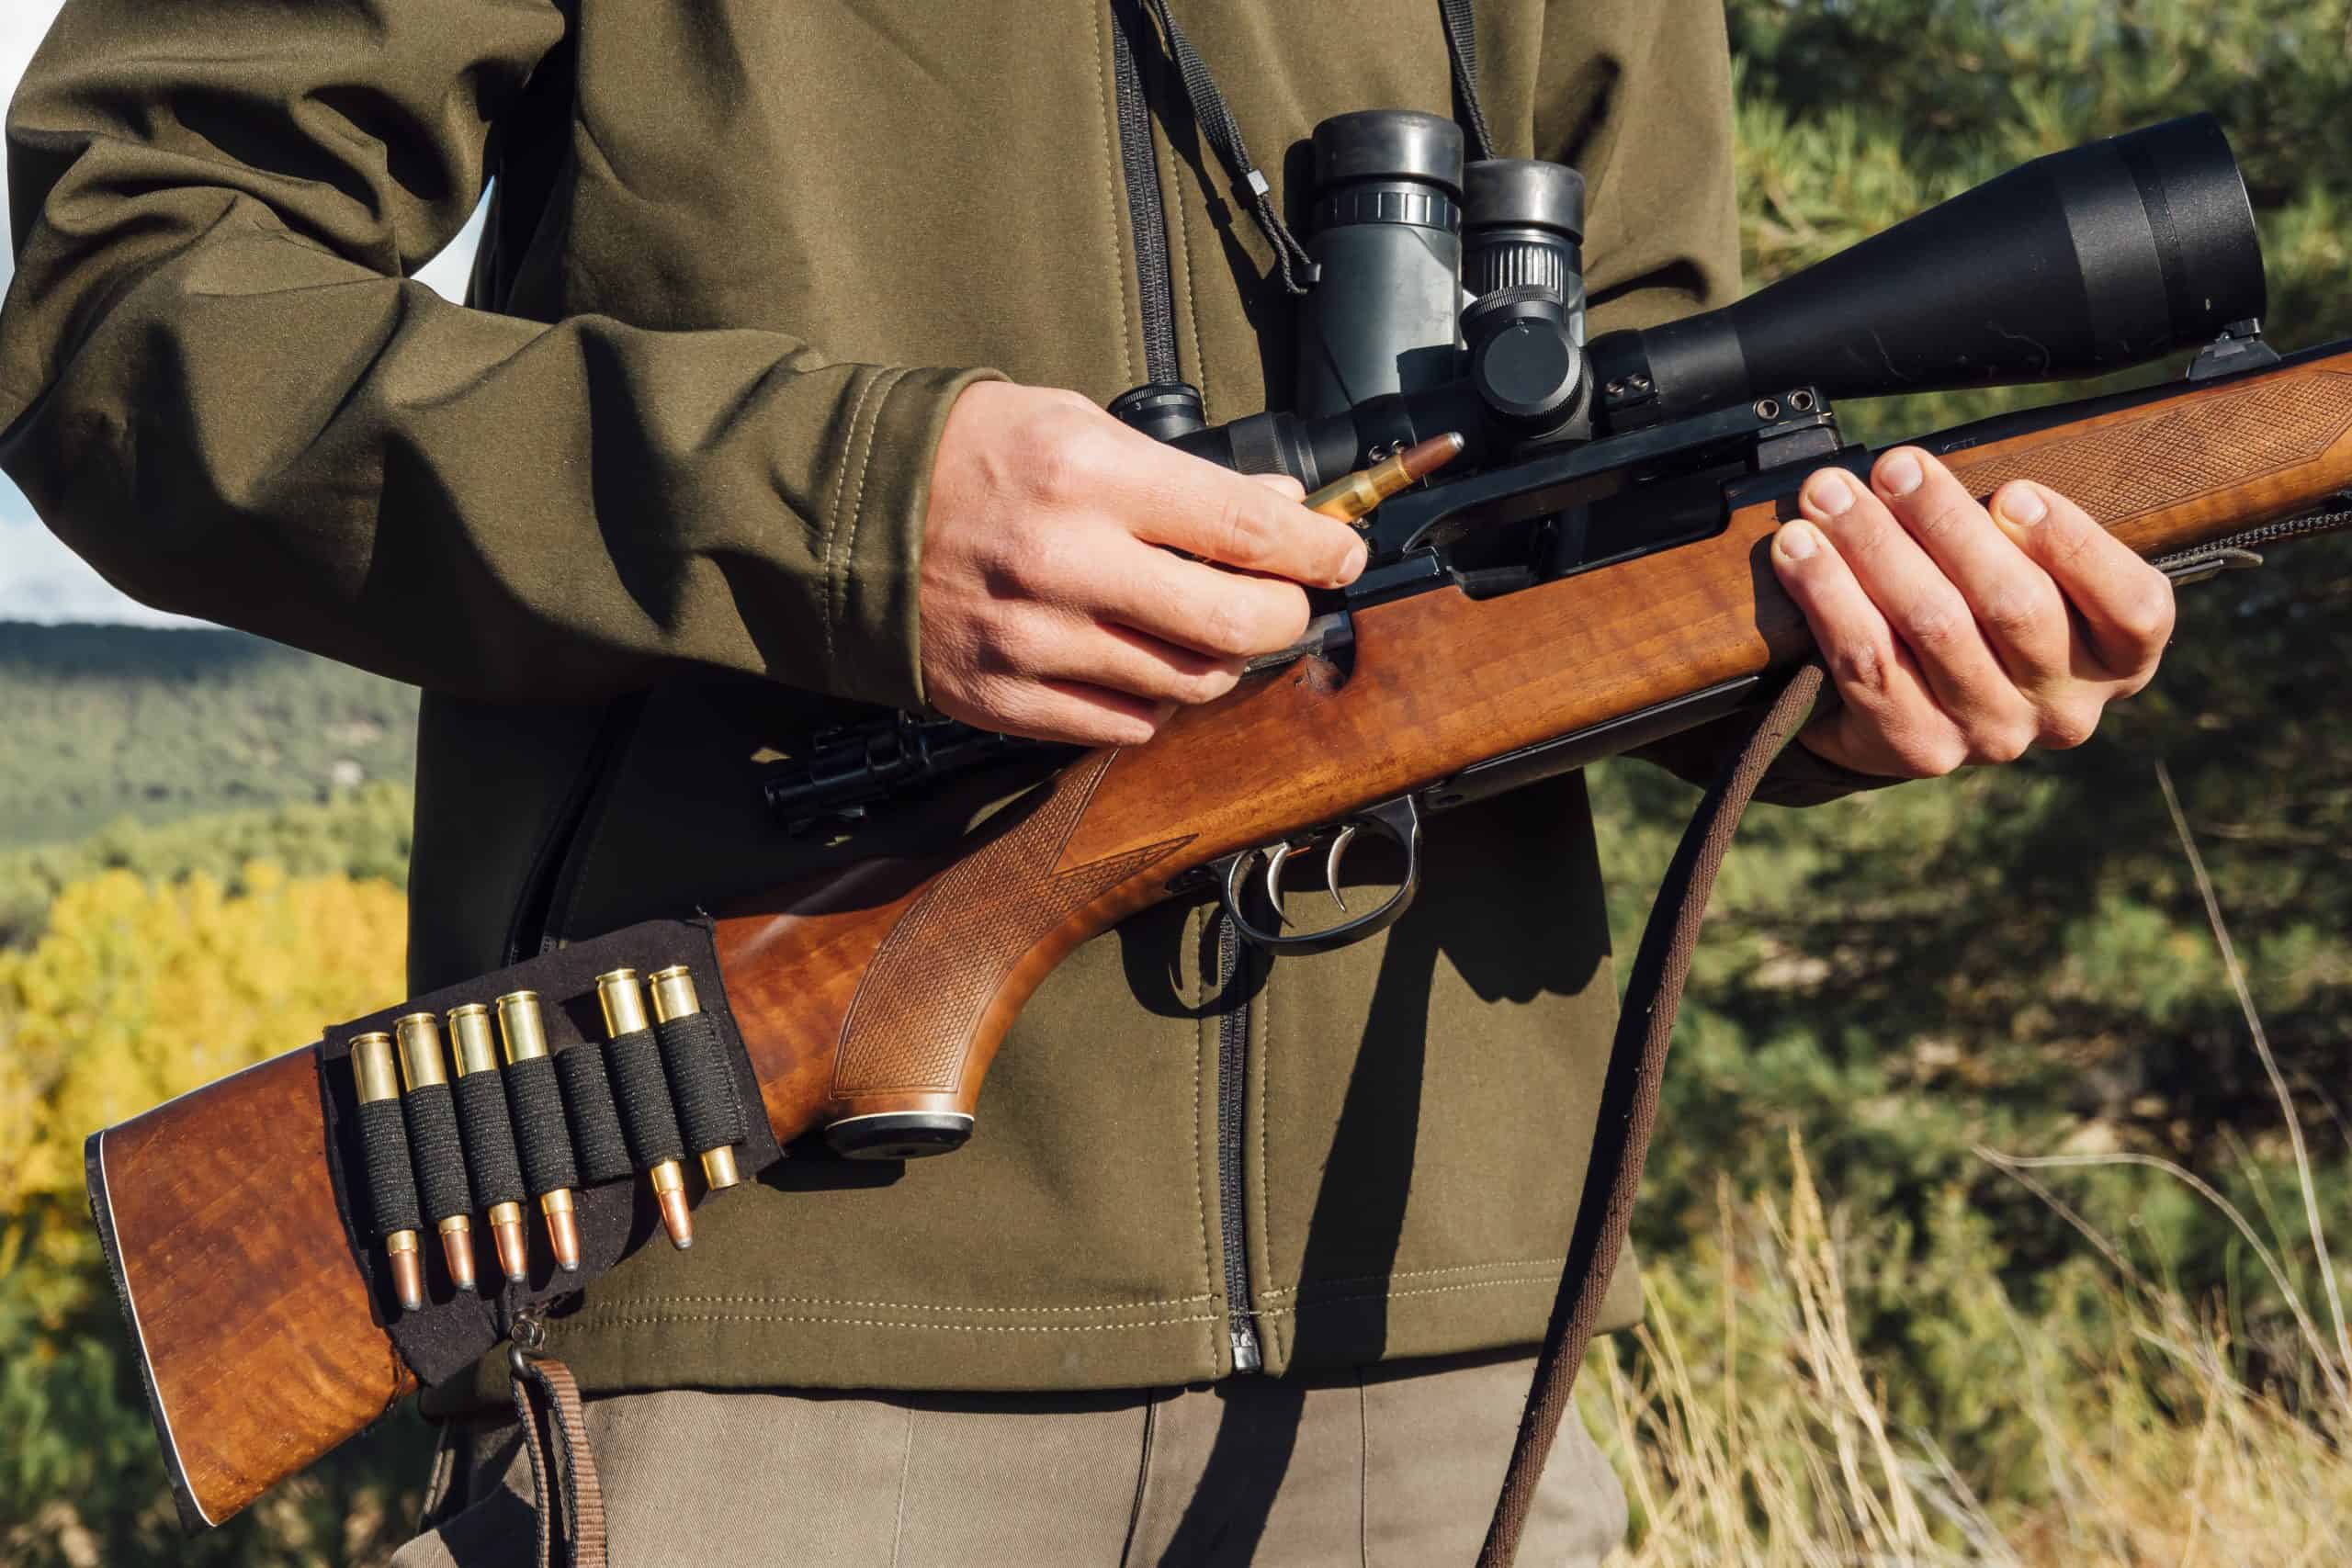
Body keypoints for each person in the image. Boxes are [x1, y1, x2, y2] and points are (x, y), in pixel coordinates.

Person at [0, 0, 2174, 1561]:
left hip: (1425, 1387)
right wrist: (845, 509)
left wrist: (1857, 654)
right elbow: (123, 290)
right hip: (760, 1370)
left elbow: (1632, 462)